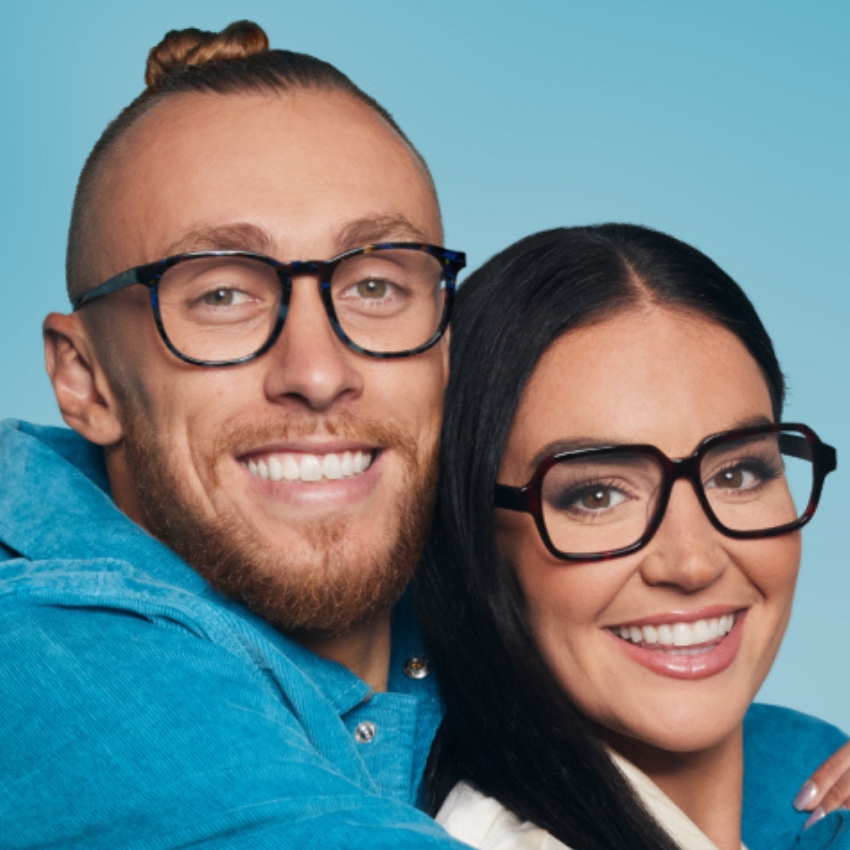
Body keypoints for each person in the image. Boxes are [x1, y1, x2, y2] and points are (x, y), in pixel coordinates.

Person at [0, 19, 846, 848]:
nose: (319, 369)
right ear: (84, 378)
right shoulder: (45, 662)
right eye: (221, 294)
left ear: (443, 342)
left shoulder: (459, 604)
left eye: (374, 284)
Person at [419, 224, 849, 850]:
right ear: (473, 538)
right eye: (596, 495)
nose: (693, 561)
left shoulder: (806, 768)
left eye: (737, 471)